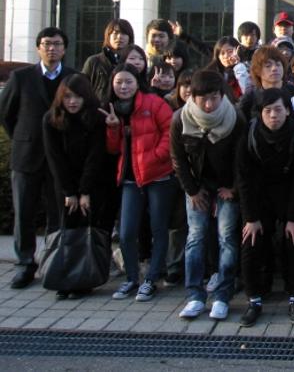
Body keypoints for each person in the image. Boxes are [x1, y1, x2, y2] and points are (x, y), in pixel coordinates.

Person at [0, 27, 77, 288]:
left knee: (57, 214)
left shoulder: (73, 78)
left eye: (57, 44)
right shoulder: (21, 77)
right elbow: (6, 114)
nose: (52, 48)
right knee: (24, 213)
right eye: (47, 44)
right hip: (27, 157)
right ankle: (25, 264)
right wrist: (22, 137)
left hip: (60, 159)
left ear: (64, 49)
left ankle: (53, 262)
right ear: (38, 48)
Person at [170, 70, 246, 321]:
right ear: (192, 97)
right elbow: (178, 159)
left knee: (227, 236)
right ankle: (194, 295)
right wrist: (191, 190)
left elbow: (242, 158)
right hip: (197, 184)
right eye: (204, 98)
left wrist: (233, 188)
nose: (210, 104)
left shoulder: (234, 117)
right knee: (196, 236)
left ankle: (223, 295)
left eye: (214, 97)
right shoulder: (180, 119)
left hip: (226, 184)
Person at [235, 88, 294, 327]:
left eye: (278, 109)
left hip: (289, 194)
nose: (273, 115)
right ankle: (254, 300)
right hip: (259, 195)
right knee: (251, 240)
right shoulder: (249, 134)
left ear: (288, 111)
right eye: (267, 111)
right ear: (260, 113)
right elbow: (243, 178)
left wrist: (293, 217)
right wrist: (250, 217)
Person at [102, 63, 177, 302]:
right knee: (126, 232)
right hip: (130, 177)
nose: (123, 86)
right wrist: (113, 128)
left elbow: (170, 133)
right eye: (119, 82)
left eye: (128, 81)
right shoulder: (112, 108)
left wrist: (155, 157)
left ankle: (151, 279)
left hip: (158, 174)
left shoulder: (154, 103)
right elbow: (113, 148)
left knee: (158, 228)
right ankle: (132, 278)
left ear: (137, 83)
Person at [42, 73, 109, 298]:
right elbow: (54, 158)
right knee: (66, 230)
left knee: (86, 229)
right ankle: (64, 279)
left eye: (78, 97)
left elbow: (95, 156)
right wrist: (69, 192)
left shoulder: (96, 118)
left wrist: (85, 191)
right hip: (63, 185)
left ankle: (83, 280)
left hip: (92, 182)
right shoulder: (51, 119)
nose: (72, 102)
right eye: (68, 97)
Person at [82, 19, 134, 102]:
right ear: (108, 36)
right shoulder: (94, 61)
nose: (119, 37)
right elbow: (82, 89)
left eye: (124, 33)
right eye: (115, 33)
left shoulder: (134, 62)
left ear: (130, 37)